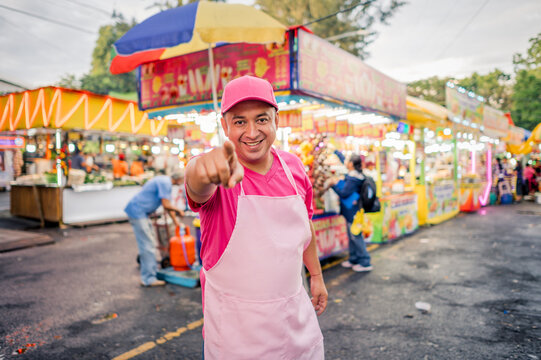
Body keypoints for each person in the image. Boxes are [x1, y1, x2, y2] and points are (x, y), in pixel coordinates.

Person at [185, 76, 327, 359]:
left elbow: (305, 225)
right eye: (239, 122)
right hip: (238, 334)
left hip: (296, 320)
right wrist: (200, 171)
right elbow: (197, 184)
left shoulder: (294, 167)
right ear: (225, 125)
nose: (251, 132)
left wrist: (317, 275)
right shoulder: (221, 172)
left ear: (276, 119)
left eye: (261, 119)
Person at [124, 170, 186, 287]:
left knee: (150, 243)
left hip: (141, 213)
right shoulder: (165, 183)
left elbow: (167, 205)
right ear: (179, 179)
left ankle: (151, 273)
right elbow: (167, 205)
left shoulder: (165, 181)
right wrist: (179, 211)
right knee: (147, 246)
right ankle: (148, 278)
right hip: (138, 212)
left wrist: (176, 222)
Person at [329, 154, 373, 272]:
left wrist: (333, 185)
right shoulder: (356, 174)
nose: (345, 162)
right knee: (352, 235)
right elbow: (344, 159)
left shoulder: (354, 178)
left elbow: (344, 193)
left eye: (348, 161)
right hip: (351, 211)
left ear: (351, 164)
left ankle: (365, 261)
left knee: (355, 235)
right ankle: (354, 259)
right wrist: (336, 152)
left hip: (353, 211)